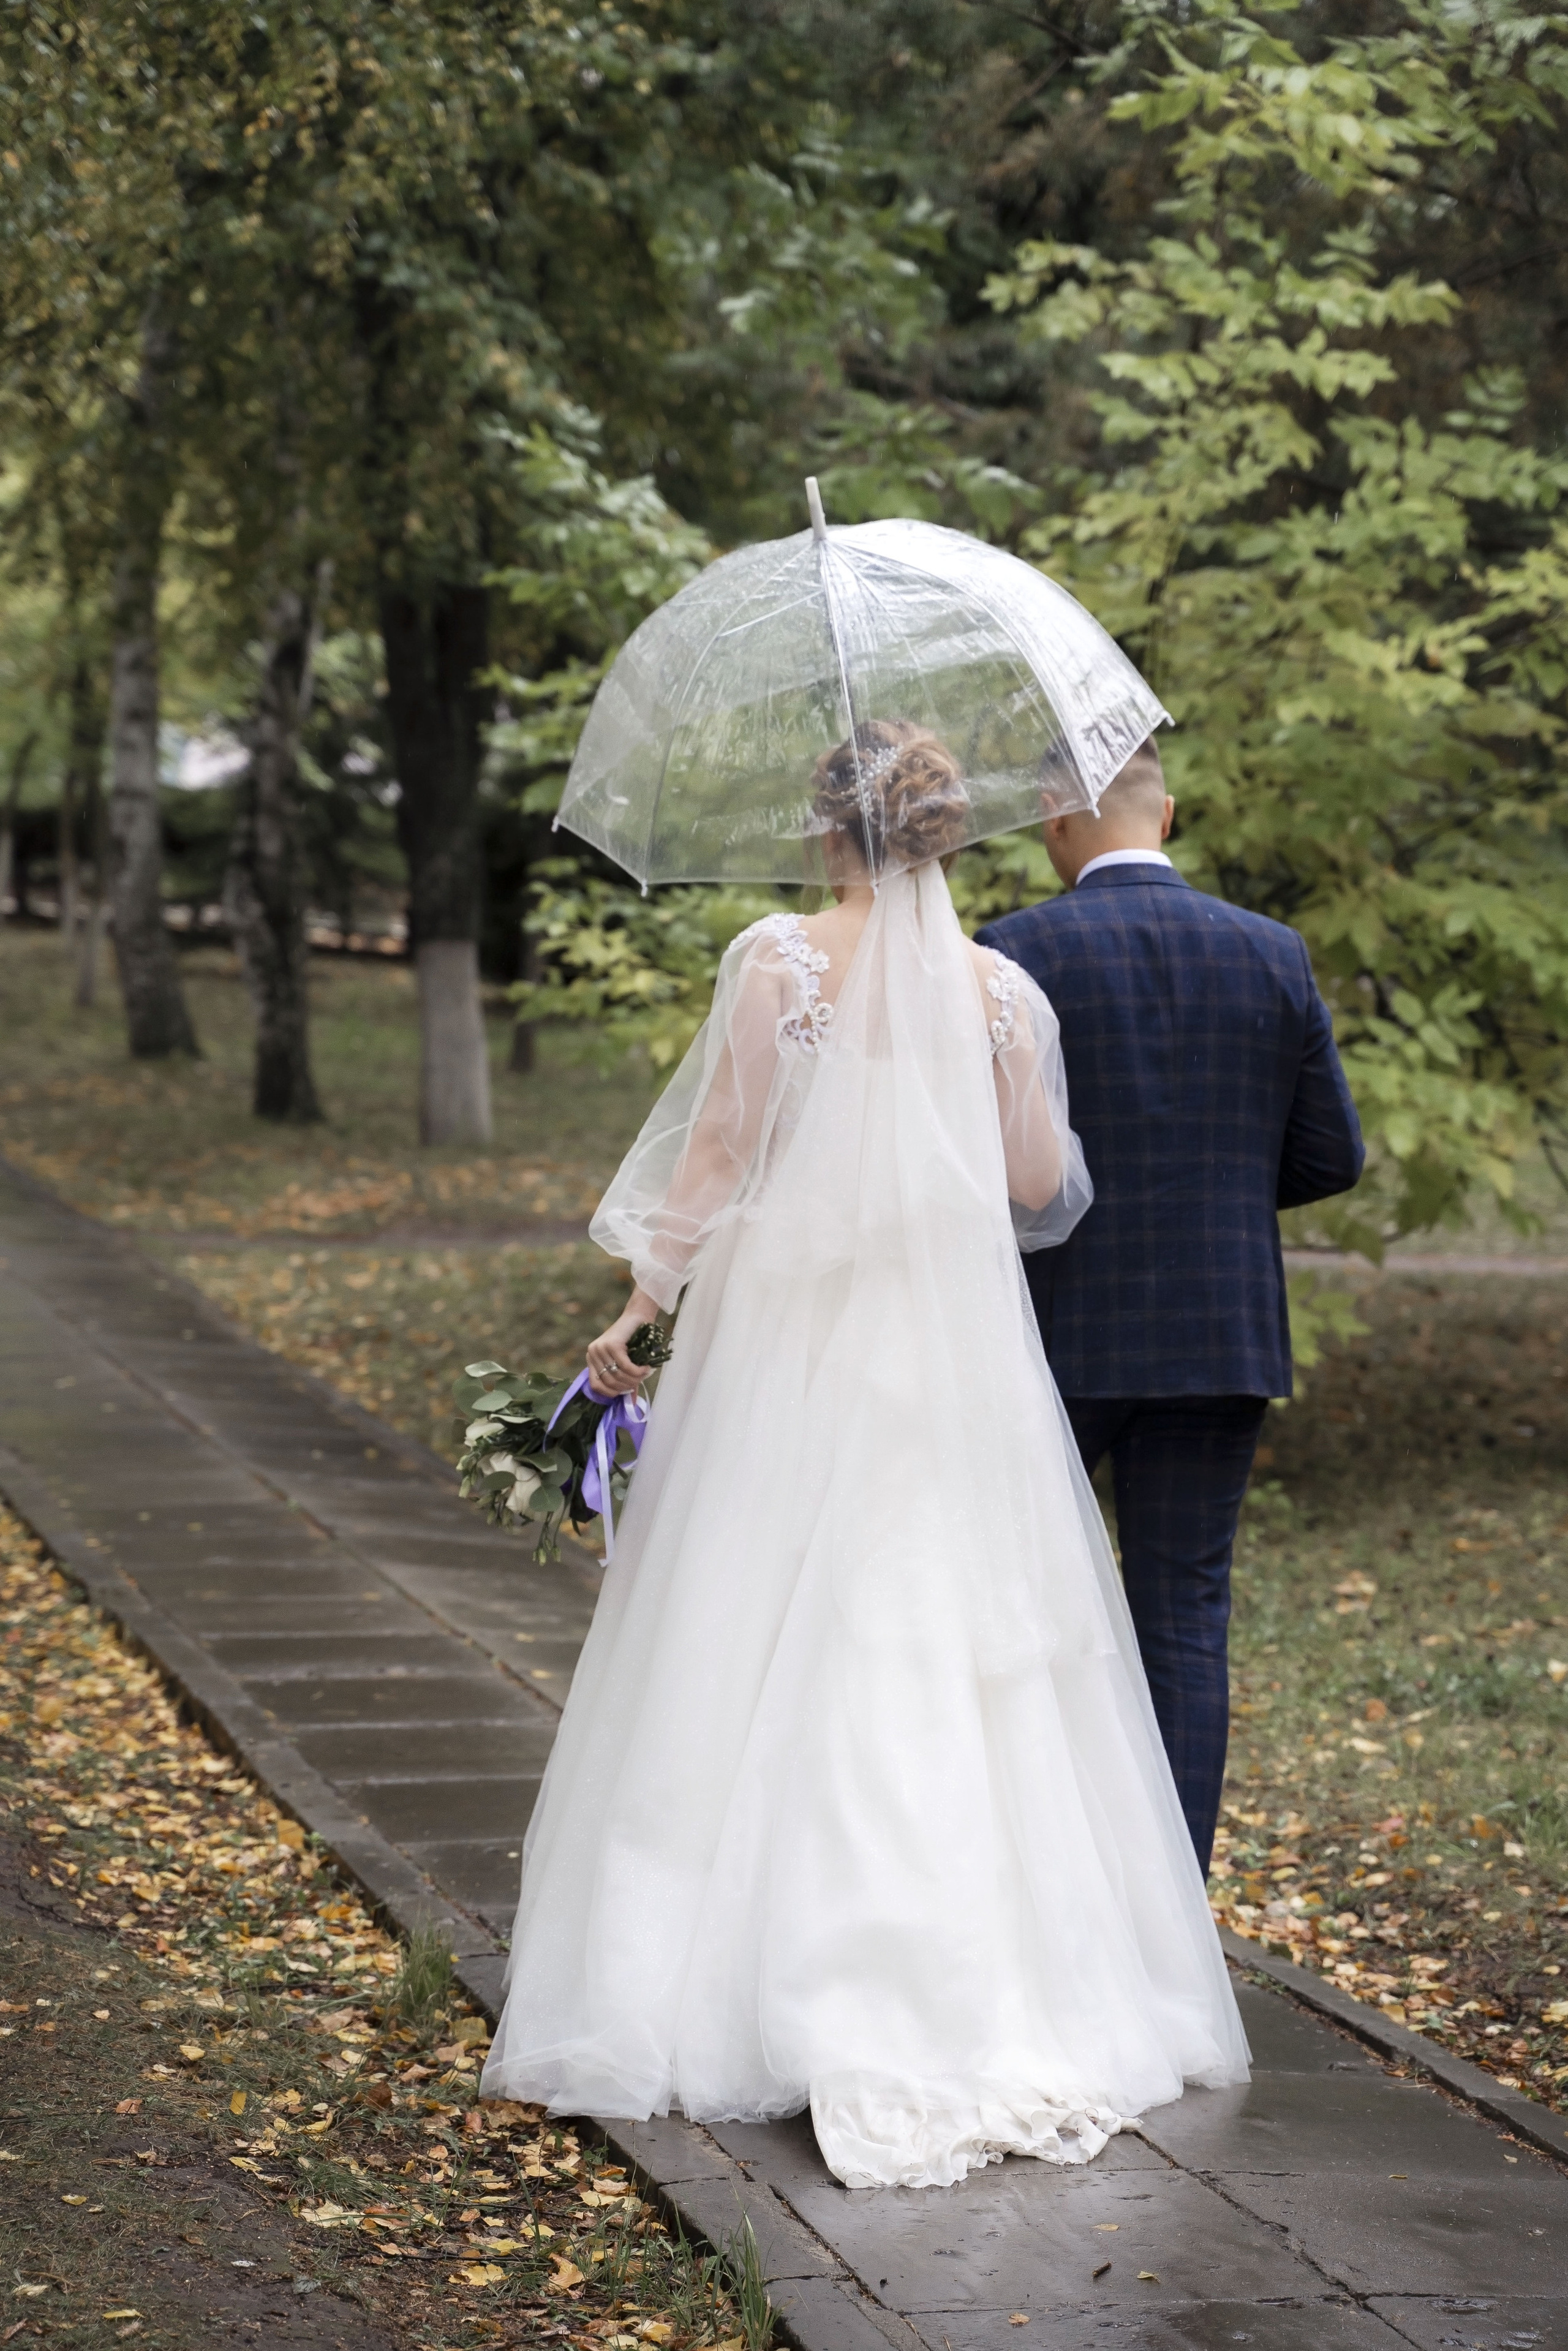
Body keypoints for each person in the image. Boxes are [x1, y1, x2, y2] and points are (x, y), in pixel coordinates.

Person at [481, 720, 1249, 2191]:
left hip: (787, 1341)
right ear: (946, 834)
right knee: (947, 1630)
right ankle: (974, 1976)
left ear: (827, 826)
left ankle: (735, 1974)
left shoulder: (779, 962)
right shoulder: (1002, 988)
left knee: (749, 1617)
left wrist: (641, 1308)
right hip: (949, 1359)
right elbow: (1037, 1181)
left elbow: (717, 1155)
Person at [975, 739, 1365, 1876]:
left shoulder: (1014, 951)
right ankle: (1172, 1906)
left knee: (1018, 1599)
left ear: (1056, 822)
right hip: (1219, 1329)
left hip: (1058, 1333)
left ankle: (1037, 1879)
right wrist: (1222, 1189)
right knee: (1186, 1621)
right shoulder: (1273, 951)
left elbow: (976, 1156)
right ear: (1170, 814)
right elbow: (1333, 1154)